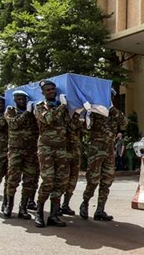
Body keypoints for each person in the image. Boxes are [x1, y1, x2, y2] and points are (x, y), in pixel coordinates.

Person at [79, 88, 127, 222]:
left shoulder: (114, 113)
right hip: (96, 149)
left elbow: (124, 122)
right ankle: (85, 203)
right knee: (93, 179)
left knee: (107, 180)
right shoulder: (95, 112)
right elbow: (85, 127)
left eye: (111, 97)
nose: (109, 99)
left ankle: (100, 209)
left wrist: (112, 109)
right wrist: (88, 112)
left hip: (109, 150)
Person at [34, 80, 69, 228]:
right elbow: (48, 119)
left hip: (60, 148)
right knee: (48, 180)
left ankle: (54, 215)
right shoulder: (40, 107)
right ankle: (39, 212)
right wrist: (62, 106)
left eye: (53, 89)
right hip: (46, 147)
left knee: (60, 181)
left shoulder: (61, 108)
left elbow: (68, 124)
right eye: (47, 90)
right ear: (43, 92)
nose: (51, 92)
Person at [4, 90, 40, 219]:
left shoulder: (32, 113)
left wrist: (32, 112)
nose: (21, 101)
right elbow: (13, 124)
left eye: (23, 99)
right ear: (14, 100)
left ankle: (23, 208)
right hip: (15, 151)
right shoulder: (10, 112)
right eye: (18, 99)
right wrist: (27, 112)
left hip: (30, 151)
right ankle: (9, 205)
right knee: (13, 179)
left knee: (29, 180)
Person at [60, 110, 83, 216]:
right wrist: (76, 115)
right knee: (62, 180)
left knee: (73, 180)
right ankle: (55, 207)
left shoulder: (77, 116)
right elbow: (70, 127)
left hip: (75, 151)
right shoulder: (62, 113)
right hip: (65, 151)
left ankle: (65, 204)